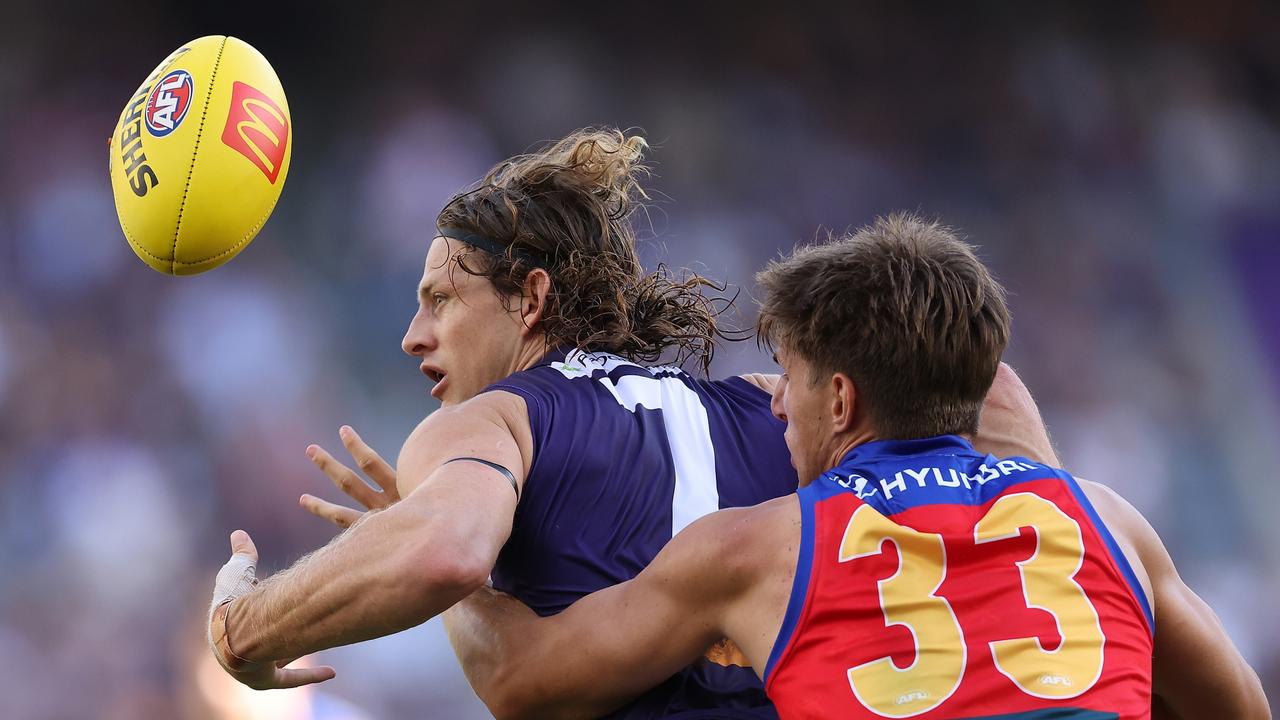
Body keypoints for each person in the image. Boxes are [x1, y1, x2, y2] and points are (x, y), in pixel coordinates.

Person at [206, 128, 1056, 717]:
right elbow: (994, 390)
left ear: (531, 299)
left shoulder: (492, 422)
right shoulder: (778, 407)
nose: (412, 335)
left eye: (440, 299)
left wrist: (244, 628)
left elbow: (445, 553)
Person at [439, 215, 1271, 719]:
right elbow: (1237, 711)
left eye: (788, 380)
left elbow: (523, 683)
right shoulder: (1110, 521)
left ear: (839, 401)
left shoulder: (758, 550)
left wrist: (442, 541)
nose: (772, 406)